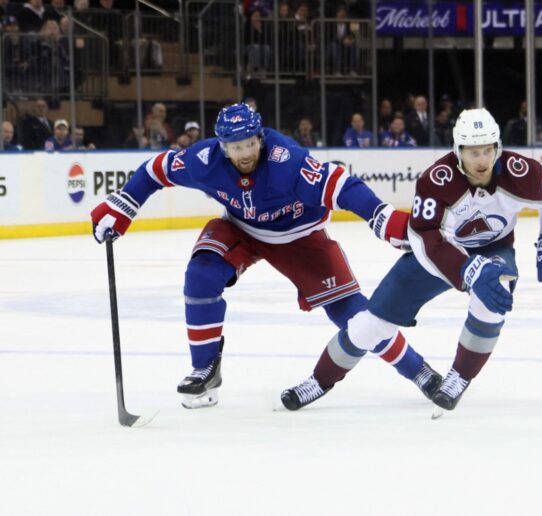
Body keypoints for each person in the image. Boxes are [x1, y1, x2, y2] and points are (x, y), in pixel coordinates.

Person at [89, 103, 428, 409]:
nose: (246, 152)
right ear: (223, 147)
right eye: (237, 147)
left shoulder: (287, 162)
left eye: (251, 142)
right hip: (243, 230)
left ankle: (419, 371)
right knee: (201, 276)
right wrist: (124, 205)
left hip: (301, 238)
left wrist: (381, 216)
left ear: (260, 138)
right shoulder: (204, 161)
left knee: (353, 317)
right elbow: (156, 169)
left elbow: (342, 186)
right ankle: (205, 369)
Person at [280, 108, 542, 412]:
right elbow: (425, 236)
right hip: (435, 255)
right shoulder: (437, 180)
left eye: (488, 150)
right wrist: (466, 269)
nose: (482, 160)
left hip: (492, 248)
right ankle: (320, 380)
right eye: (473, 152)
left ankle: (459, 377)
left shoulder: (519, 171)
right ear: (458, 151)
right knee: (370, 325)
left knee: (495, 298)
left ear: (497, 148)